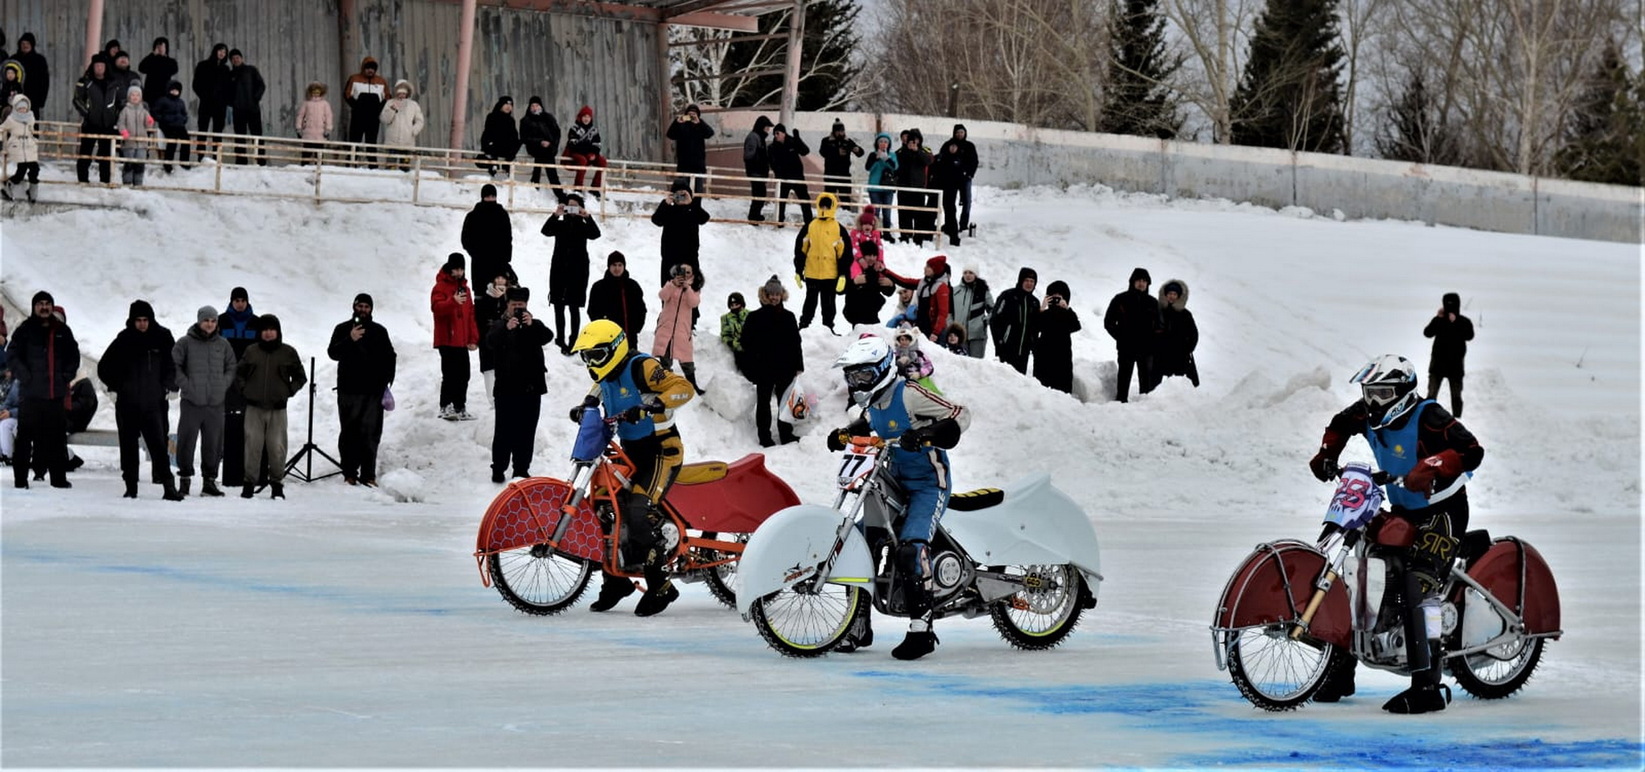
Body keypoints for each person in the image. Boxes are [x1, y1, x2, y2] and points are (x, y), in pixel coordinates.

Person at [1307, 355, 1484, 714]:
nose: (1373, 402)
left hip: (1443, 510)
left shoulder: (1429, 416)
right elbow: (1340, 424)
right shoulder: (1367, 413)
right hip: (1403, 508)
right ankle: (1340, 672)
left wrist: (1431, 465)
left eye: (1383, 393)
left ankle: (1428, 686)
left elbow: (1471, 450)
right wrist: (1327, 454)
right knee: (1361, 572)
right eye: (1369, 393)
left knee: (1419, 583)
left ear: (1403, 392)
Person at [827, 335, 970, 659]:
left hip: (928, 484)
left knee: (910, 549)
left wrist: (927, 433)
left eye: (863, 375)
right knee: (858, 541)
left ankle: (922, 629)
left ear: (881, 370)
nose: (857, 383)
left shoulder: (909, 394)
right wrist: (844, 435)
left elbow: (960, 414)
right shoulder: (873, 403)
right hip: (894, 483)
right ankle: (857, 626)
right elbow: (867, 423)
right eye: (852, 377)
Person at [569, 319, 697, 616]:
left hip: (661, 450)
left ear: (615, 349)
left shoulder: (642, 367)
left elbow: (683, 387)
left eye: (596, 355)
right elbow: (598, 390)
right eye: (586, 357)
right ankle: (616, 582)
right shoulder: (606, 374)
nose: (591, 363)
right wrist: (584, 406)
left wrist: (654, 405)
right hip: (630, 452)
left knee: (639, 510)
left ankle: (661, 586)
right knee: (604, 509)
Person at [99, 299, 183, 500]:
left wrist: (171, 386)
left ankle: (169, 487)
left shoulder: (162, 337)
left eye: (145, 320)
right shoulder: (124, 339)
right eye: (138, 320)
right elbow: (104, 367)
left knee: (159, 446)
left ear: (151, 319)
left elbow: (173, 365)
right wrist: (114, 388)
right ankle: (131, 487)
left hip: (154, 403)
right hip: (127, 403)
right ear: (132, 321)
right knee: (128, 447)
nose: (142, 324)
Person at [6, 291, 79, 489]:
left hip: (55, 395)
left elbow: (74, 355)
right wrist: (25, 376)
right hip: (31, 396)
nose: (44, 307)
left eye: (47, 304)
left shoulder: (62, 330)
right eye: (40, 304)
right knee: (24, 440)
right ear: (34, 307)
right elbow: (12, 355)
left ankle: (58, 479)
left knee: (57, 440)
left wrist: (66, 376)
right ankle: (20, 480)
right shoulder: (25, 330)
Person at [327, 293, 397, 487]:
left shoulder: (379, 331)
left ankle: (368, 474)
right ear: (354, 307)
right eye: (360, 306)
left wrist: (386, 381)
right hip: (348, 390)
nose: (363, 310)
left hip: (373, 392)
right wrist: (350, 339)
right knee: (349, 432)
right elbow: (333, 352)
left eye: (367, 307)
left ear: (371, 309)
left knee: (371, 434)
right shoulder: (342, 329)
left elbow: (390, 356)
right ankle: (349, 472)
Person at [235, 314, 305, 499]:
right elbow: (239, 373)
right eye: (264, 329)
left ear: (278, 332)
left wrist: (288, 391)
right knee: (252, 446)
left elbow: (300, 377)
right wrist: (245, 390)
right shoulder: (251, 351)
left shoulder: (288, 352)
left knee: (277, 448)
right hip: (254, 409)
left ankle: (277, 485)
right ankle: (248, 484)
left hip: (278, 409)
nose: (268, 333)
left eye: (271, 329)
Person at [487, 286, 551, 481]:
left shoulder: (534, 324)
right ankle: (498, 468)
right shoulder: (499, 325)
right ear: (507, 305)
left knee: (527, 431)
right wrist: (507, 329)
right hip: (506, 388)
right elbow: (490, 342)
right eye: (514, 305)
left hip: (531, 389)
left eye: (521, 305)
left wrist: (531, 325)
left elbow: (548, 336)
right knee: (503, 431)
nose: (517, 308)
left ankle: (521, 468)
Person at [172, 304, 237, 497]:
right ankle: (184, 480)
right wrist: (187, 386)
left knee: (214, 444)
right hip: (192, 402)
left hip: (215, 404)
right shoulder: (185, 343)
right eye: (206, 320)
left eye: (213, 321)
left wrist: (222, 385)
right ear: (199, 321)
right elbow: (174, 366)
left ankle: (209, 482)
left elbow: (231, 367)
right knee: (186, 442)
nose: (209, 324)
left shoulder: (223, 344)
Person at [740, 277, 803, 446]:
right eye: (771, 294)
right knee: (763, 403)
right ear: (765, 295)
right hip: (763, 367)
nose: (774, 297)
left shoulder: (789, 317)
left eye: (777, 294)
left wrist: (798, 365)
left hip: (785, 367)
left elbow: (796, 343)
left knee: (785, 402)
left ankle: (786, 434)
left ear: (782, 295)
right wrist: (754, 361)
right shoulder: (754, 317)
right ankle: (764, 437)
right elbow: (745, 342)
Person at [542, 191, 602, 355]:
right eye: (570, 207)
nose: (572, 210)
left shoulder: (583, 226)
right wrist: (556, 215)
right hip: (559, 269)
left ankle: (574, 339)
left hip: (578, 270)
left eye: (576, 207)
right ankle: (560, 338)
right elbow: (545, 231)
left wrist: (587, 217)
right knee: (558, 305)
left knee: (574, 306)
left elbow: (596, 234)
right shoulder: (560, 225)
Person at [792, 191, 850, 331]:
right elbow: (801, 249)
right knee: (810, 301)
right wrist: (799, 269)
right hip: (812, 273)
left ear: (832, 207)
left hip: (830, 274)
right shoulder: (811, 226)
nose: (824, 209)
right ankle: (804, 326)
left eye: (827, 206)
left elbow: (845, 253)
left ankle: (828, 328)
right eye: (822, 206)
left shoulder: (838, 228)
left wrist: (843, 274)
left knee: (828, 303)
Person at [217, 287, 258, 487]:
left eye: (243, 300)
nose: (240, 304)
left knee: (249, 422)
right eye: (237, 300)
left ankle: (249, 468)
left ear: (247, 302)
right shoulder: (221, 321)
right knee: (229, 422)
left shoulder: (256, 322)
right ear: (231, 302)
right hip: (227, 377)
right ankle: (229, 465)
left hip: (249, 378)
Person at [431, 253, 480, 421]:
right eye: (456, 269)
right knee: (450, 374)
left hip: (461, 340)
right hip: (446, 339)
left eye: (461, 269)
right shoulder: (440, 287)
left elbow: (471, 315)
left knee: (464, 374)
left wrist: (473, 338)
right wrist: (453, 301)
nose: (459, 272)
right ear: (449, 269)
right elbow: (437, 308)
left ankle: (460, 406)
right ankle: (445, 405)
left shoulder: (466, 290)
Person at [1104, 267, 1159, 403]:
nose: (1141, 283)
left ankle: (1146, 406)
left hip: (1147, 349)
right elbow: (1108, 322)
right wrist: (1121, 337)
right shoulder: (1120, 299)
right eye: (1138, 280)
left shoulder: (1153, 303)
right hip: (1126, 347)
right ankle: (1120, 403)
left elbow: (1161, 326)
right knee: (1123, 379)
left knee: (1146, 384)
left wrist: (1153, 341)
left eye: (1144, 281)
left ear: (1148, 284)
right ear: (1132, 282)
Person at [653, 263, 705, 394]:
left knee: (686, 359)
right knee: (664, 359)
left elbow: (694, 303)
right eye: (682, 271)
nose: (684, 275)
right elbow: (662, 296)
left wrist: (687, 288)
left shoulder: (694, 289)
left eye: (688, 272)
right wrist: (672, 284)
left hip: (682, 330)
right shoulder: (671, 285)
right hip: (666, 328)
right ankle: (663, 384)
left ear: (693, 274)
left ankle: (693, 385)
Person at [1423, 292, 1474, 417]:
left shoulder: (1463, 321)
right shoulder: (1439, 320)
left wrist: (1456, 322)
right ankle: (1428, 418)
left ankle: (1457, 420)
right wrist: (1437, 318)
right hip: (1437, 365)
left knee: (1456, 397)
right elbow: (1427, 333)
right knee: (1431, 395)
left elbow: (1469, 335)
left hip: (1455, 366)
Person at [652, 178, 711, 285]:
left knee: (690, 290)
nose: (680, 198)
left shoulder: (693, 208)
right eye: (677, 195)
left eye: (683, 194)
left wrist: (691, 203)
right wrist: (665, 204)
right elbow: (656, 220)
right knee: (669, 290)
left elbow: (704, 218)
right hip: (670, 257)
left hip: (690, 257)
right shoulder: (668, 208)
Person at [73, 54, 119, 184]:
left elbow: (120, 102)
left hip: (108, 125)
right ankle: (83, 180)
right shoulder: (85, 82)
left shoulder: (114, 83)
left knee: (106, 155)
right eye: (97, 65)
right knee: (85, 153)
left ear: (106, 67)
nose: (99, 68)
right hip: (90, 124)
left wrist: (115, 116)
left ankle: (105, 181)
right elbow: (77, 99)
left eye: (101, 65)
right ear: (92, 67)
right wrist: (88, 114)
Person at [474, 267, 516, 405]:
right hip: (488, 337)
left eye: (502, 278)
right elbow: (480, 316)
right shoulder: (486, 296)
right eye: (497, 278)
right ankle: (492, 399)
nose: (500, 281)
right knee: (489, 369)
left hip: (506, 337)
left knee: (506, 366)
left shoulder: (511, 296)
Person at [586, 251, 647, 342]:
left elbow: (641, 309)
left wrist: (635, 328)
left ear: (624, 266)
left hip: (629, 337)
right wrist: (602, 327)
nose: (617, 268)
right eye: (614, 265)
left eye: (620, 265)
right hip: (606, 338)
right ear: (609, 266)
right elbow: (592, 310)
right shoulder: (599, 287)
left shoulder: (632, 286)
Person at [1033, 281, 1081, 394]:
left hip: (1062, 356)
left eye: (1059, 296)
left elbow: (1076, 326)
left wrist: (1067, 309)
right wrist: (1042, 309)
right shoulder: (1045, 314)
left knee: (1063, 389)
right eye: (1053, 295)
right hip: (1044, 356)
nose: (1056, 299)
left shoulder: (1066, 314)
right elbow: (1035, 326)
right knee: (1041, 390)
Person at [461, 183, 513, 286]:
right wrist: (476, 253)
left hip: (498, 264)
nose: (490, 199)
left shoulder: (502, 215)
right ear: (483, 197)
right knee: (481, 292)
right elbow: (466, 239)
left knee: (498, 292)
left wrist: (505, 259)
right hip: (479, 264)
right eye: (488, 196)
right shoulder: (473, 216)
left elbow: (507, 238)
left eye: (493, 196)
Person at [1153, 279, 1199, 388]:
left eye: (1174, 294)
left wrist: (1187, 349)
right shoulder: (1158, 311)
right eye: (1169, 293)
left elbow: (1194, 334)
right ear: (1165, 295)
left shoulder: (1186, 314)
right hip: (1160, 354)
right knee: (1154, 385)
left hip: (1179, 356)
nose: (1172, 296)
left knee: (1177, 386)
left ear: (1178, 296)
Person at [992, 267, 1039, 374]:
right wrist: (999, 343)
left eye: (1032, 281)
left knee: (1019, 381)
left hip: (1024, 353)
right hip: (1006, 349)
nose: (1029, 284)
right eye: (1026, 280)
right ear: (1021, 281)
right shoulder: (1008, 296)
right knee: (1004, 378)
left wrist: (1033, 345)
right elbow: (994, 319)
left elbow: (1035, 328)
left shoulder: (1034, 302)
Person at [343, 57, 387, 167]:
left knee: (372, 142)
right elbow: (347, 94)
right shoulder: (354, 78)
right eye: (368, 68)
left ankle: (373, 166)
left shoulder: (381, 81)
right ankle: (350, 165)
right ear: (363, 68)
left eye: (372, 68)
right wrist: (356, 106)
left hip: (373, 117)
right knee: (354, 141)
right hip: (358, 116)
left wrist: (378, 109)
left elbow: (387, 96)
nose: (370, 70)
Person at [842, 241, 899, 327]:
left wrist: (891, 284)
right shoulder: (852, 267)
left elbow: (888, 292)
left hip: (872, 315)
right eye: (869, 255)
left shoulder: (877, 270)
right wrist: (854, 282)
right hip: (855, 313)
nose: (872, 258)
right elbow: (840, 290)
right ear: (862, 256)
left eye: (874, 255)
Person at [227, 49, 266, 166]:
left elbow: (261, 85)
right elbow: (226, 91)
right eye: (233, 59)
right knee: (239, 137)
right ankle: (241, 162)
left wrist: (255, 98)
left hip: (253, 109)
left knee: (257, 135)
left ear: (242, 58)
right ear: (231, 61)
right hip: (238, 110)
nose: (236, 60)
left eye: (237, 57)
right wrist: (232, 102)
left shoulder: (251, 70)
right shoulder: (230, 74)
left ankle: (260, 161)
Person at [894, 130, 932, 245]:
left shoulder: (924, 151)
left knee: (919, 214)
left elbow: (928, 161)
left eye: (916, 140)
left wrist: (917, 151)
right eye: (911, 140)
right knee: (904, 213)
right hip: (904, 187)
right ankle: (905, 236)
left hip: (918, 188)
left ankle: (918, 237)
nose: (913, 143)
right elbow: (896, 165)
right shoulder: (901, 152)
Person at [931, 136, 970, 246]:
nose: (953, 148)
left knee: (951, 214)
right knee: (932, 212)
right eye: (951, 146)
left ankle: (954, 237)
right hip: (937, 189)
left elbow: (962, 180)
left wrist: (962, 196)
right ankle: (927, 235)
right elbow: (932, 172)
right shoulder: (939, 158)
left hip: (951, 191)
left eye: (955, 146)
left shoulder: (959, 161)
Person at [519, 95, 563, 196]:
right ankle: (558, 192)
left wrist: (552, 144)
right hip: (535, 147)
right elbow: (524, 138)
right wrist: (540, 142)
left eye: (537, 105)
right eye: (532, 106)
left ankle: (535, 181)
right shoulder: (526, 120)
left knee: (545, 157)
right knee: (550, 168)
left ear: (541, 106)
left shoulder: (548, 118)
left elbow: (557, 133)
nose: (535, 108)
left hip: (549, 148)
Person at [768, 123, 811, 224]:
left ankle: (809, 223)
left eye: (778, 133)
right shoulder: (772, 147)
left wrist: (798, 139)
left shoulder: (793, 141)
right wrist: (779, 174)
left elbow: (805, 151)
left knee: (805, 200)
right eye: (774, 134)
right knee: (781, 202)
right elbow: (772, 163)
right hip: (783, 178)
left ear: (783, 133)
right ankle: (780, 223)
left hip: (797, 177)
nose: (776, 136)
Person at [666, 102, 714, 194]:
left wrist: (699, 123)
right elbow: (670, 135)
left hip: (698, 164)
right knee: (682, 189)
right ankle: (683, 203)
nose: (691, 116)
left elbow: (710, 133)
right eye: (689, 114)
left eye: (694, 114)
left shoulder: (700, 125)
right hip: (684, 163)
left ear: (697, 115)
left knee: (698, 190)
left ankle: (696, 203)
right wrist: (676, 123)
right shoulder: (681, 125)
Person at [377, 79, 424, 169]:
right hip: (392, 141)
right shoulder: (390, 103)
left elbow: (420, 120)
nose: (401, 96)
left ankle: (404, 177)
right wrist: (392, 110)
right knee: (391, 166)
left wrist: (414, 131)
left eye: (403, 93)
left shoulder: (413, 105)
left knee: (405, 167)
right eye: (399, 93)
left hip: (407, 141)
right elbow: (384, 119)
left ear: (407, 93)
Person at [1, 93, 40, 202]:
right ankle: (8, 186)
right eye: (20, 108)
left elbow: (32, 130)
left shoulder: (31, 118)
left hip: (29, 145)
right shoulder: (11, 119)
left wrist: (34, 139)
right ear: (16, 108)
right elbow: (2, 128)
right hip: (17, 145)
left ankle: (32, 189)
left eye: (24, 108)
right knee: (22, 169)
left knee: (34, 168)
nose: (23, 110)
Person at [114, 84, 154, 187]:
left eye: (137, 95)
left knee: (140, 165)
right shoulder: (125, 110)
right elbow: (120, 123)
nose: (135, 97)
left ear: (141, 97)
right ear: (129, 97)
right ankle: (127, 183)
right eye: (133, 95)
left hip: (142, 143)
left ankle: (138, 184)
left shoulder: (144, 111)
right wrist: (123, 131)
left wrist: (150, 121)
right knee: (129, 164)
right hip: (129, 143)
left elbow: (148, 125)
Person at [192, 44, 230, 145]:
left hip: (220, 106)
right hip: (206, 103)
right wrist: (204, 96)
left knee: (218, 132)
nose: (222, 53)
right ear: (215, 51)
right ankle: (200, 154)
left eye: (224, 52)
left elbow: (228, 87)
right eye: (220, 51)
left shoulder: (226, 69)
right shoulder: (203, 65)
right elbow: (196, 84)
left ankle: (216, 154)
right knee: (202, 130)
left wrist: (224, 100)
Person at [819, 118, 865, 204]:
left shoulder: (847, 141)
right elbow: (822, 152)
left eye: (842, 131)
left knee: (845, 198)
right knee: (829, 198)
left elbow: (861, 153)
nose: (840, 133)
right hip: (830, 174)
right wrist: (836, 152)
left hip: (844, 174)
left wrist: (857, 149)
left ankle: (846, 211)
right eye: (838, 131)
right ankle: (828, 211)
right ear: (834, 131)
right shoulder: (826, 141)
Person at [563, 105, 607, 194]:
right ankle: (578, 188)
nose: (586, 119)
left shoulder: (594, 131)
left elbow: (597, 144)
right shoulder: (574, 129)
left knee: (603, 162)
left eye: (588, 117)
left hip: (590, 154)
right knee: (582, 160)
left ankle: (595, 188)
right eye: (584, 116)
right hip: (576, 153)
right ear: (580, 117)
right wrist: (588, 151)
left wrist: (593, 153)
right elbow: (573, 144)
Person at [952, 266, 992, 359]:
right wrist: (951, 326)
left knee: (976, 364)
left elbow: (993, 310)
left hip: (977, 335)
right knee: (960, 363)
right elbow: (949, 311)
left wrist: (984, 321)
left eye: (971, 273)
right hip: (959, 335)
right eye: (965, 272)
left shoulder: (983, 291)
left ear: (975, 275)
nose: (968, 275)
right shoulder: (955, 291)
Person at [947, 124, 979, 234]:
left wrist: (970, 174)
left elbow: (975, 161)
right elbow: (942, 158)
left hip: (965, 178)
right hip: (951, 178)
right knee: (950, 202)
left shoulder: (969, 146)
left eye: (961, 132)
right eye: (957, 132)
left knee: (967, 202)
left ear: (965, 133)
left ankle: (963, 224)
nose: (960, 134)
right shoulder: (949, 144)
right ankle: (951, 224)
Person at [152, 80, 189, 172]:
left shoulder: (181, 102)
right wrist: (163, 120)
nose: (174, 92)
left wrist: (183, 120)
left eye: (177, 90)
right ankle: (168, 164)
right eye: (172, 90)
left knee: (186, 140)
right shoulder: (163, 100)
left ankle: (184, 161)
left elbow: (184, 114)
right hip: (167, 126)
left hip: (179, 125)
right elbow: (155, 112)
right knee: (172, 142)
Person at [913, 254, 953, 341]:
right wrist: (886, 272)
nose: (924, 268)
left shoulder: (942, 287)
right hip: (922, 325)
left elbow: (943, 313)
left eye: (928, 266)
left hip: (933, 330)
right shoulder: (924, 283)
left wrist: (936, 332)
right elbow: (905, 281)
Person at [479, 96, 519, 179]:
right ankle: (494, 166)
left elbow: (514, 136)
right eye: (506, 104)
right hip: (494, 147)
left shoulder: (511, 120)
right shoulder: (492, 117)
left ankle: (507, 165)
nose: (508, 107)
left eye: (511, 105)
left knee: (518, 142)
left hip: (507, 149)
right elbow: (487, 133)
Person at [742, 114, 773, 221]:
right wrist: (761, 158)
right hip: (756, 171)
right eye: (767, 127)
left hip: (759, 172)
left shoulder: (759, 137)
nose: (768, 130)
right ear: (761, 126)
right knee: (759, 195)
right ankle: (753, 216)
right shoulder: (754, 137)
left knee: (760, 195)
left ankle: (755, 215)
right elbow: (748, 156)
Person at [295, 81, 333, 164]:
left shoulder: (325, 104)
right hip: (308, 133)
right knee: (306, 154)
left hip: (320, 134)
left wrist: (328, 129)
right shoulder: (306, 103)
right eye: (314, 92)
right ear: (310, 92)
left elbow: (328, 117)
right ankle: (304, 168)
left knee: (319, 155)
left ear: (321, 93)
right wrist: (298, 128)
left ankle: (319, 169)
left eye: (317, 92)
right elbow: (300, 116)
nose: (316, 94)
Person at [13, 33, 47, 115]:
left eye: (27, 43)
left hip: (33, 99)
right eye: (23, 44)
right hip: (16, 99)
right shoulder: (14, 60)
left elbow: (44, 81)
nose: (25, 46)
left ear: (32, 45)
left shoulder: (39, 60)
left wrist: (41, 100)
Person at [719, 291, 750, 377]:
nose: (734, 307)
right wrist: (731, 342)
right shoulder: (725, 318)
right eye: (732, 305)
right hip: (737, 349)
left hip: (751, 347)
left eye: (737, 304)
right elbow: (725, 334)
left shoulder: (750, 315)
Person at [137, 37, 176, 105]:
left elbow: (174, 69)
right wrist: (152, 55)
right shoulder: (151, 60)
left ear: (166, 48)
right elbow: (141, 68)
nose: (160, 49)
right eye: (158, 47)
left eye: (162, 47)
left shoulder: (170, 61)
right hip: (150, 93)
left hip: (164, 92)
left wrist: (164, 58)